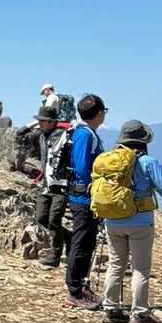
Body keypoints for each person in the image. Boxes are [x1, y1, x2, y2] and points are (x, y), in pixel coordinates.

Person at [98, 120, 162, 323]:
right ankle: (140, 314)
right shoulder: (148, 161)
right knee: (140, 268)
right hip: (140, 221)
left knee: (116, 264)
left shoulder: (111, 160)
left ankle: (110, 309)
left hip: (113, 220)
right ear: (143, 140)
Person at [64, 93, 107, 309]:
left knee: (87, 242)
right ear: (98, 113)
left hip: (84, 195)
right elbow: (82, 167)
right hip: (83, 197)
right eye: (104, 111)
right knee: (81, 243)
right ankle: (75, 291)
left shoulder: (84, 132)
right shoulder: (85, 134)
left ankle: (81, 286)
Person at [32, 106, 67, 268]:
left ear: (52, 122)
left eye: (43, 121)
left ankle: (55, 254)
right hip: (45, 184)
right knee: (41, 217)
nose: (40, 123)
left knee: (54, 219)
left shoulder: (63, 137)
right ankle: (67, 237)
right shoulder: (41, 136)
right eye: (39, 120)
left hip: (60, 185)